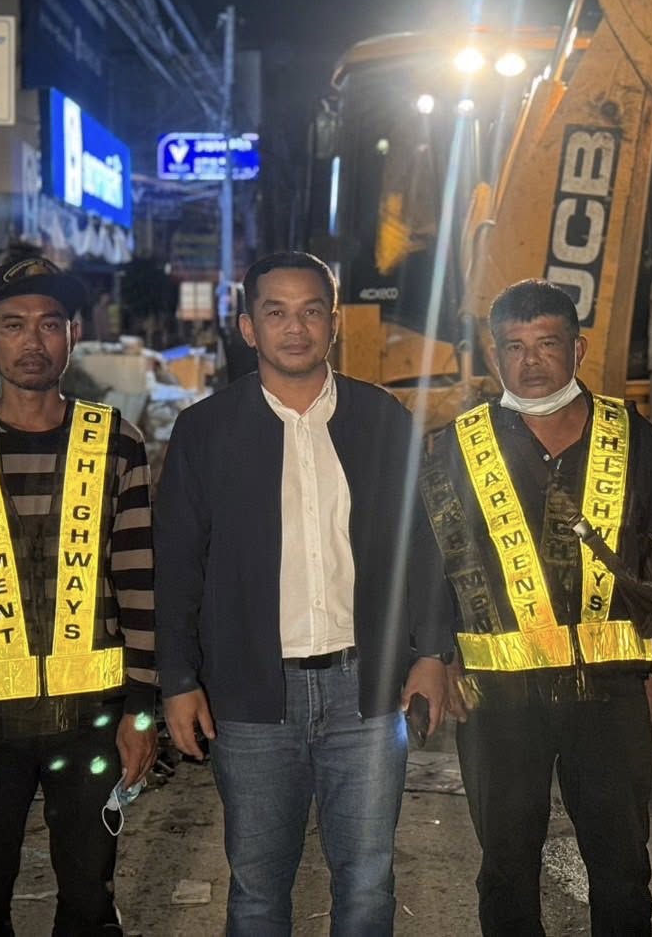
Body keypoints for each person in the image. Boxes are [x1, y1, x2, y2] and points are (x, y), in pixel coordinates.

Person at [155, 250, 453, 935]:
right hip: (251, 699)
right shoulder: (205, 431)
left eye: (311, 311)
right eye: (276, 312)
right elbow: (176, 567)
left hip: (366, 692)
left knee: (367, 882)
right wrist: (178, 681)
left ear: (334, 323)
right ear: (248, 328)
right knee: (258, 890)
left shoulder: (381, 419)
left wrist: (432, 654)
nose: (296, 328)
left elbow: (423, 543)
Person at [421, 278, 652, 936]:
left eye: (547, 343)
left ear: (578, 347)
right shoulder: (456, 445)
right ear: (493, 353)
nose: (531, 362)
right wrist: (439, 661)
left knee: (622, 870)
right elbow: (433, 565)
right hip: (498, 698)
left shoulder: (633, 437)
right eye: (514, 347)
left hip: (611, 694)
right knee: (506, 869)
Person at [0, 255, 157, 937]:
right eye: (13, 325)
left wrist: (141, 710)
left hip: (91, 721)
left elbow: (139, 584)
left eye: (50, 323)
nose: (33, 341)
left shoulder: (118, 443)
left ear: (72, 335)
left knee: (89, 903)